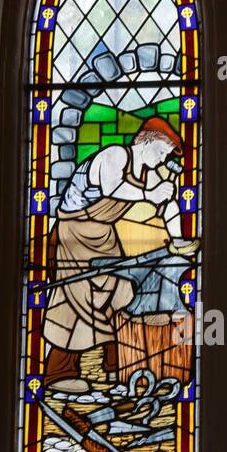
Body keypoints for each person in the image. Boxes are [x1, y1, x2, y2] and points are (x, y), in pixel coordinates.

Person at [43, 117, 186, 394]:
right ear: (146, 140)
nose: (162, 159)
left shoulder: (150, 173)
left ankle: (115, 369)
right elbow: (113, 188)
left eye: (166, 155)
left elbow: (168, 205)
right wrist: (151, 193)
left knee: (121, 293)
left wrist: (178, 239)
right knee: (75, 300)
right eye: (161, 151)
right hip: (75, 233)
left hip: (104, 236)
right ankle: (58, 373)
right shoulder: (115, 155)